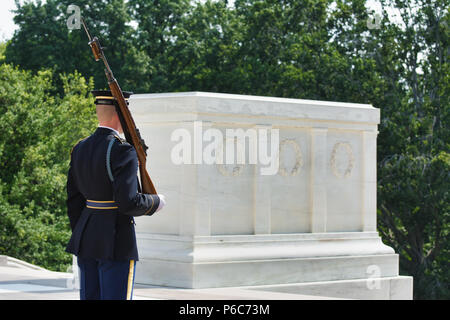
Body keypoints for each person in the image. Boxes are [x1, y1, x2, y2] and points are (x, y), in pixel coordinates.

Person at [65, 90, 165, 300]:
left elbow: (74, 202)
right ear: (121, 113)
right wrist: (155, 202)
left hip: (86, 237)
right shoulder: (122, 150)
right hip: (115, 238)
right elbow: (127, 202)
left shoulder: (80, 147)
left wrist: (83, 233)